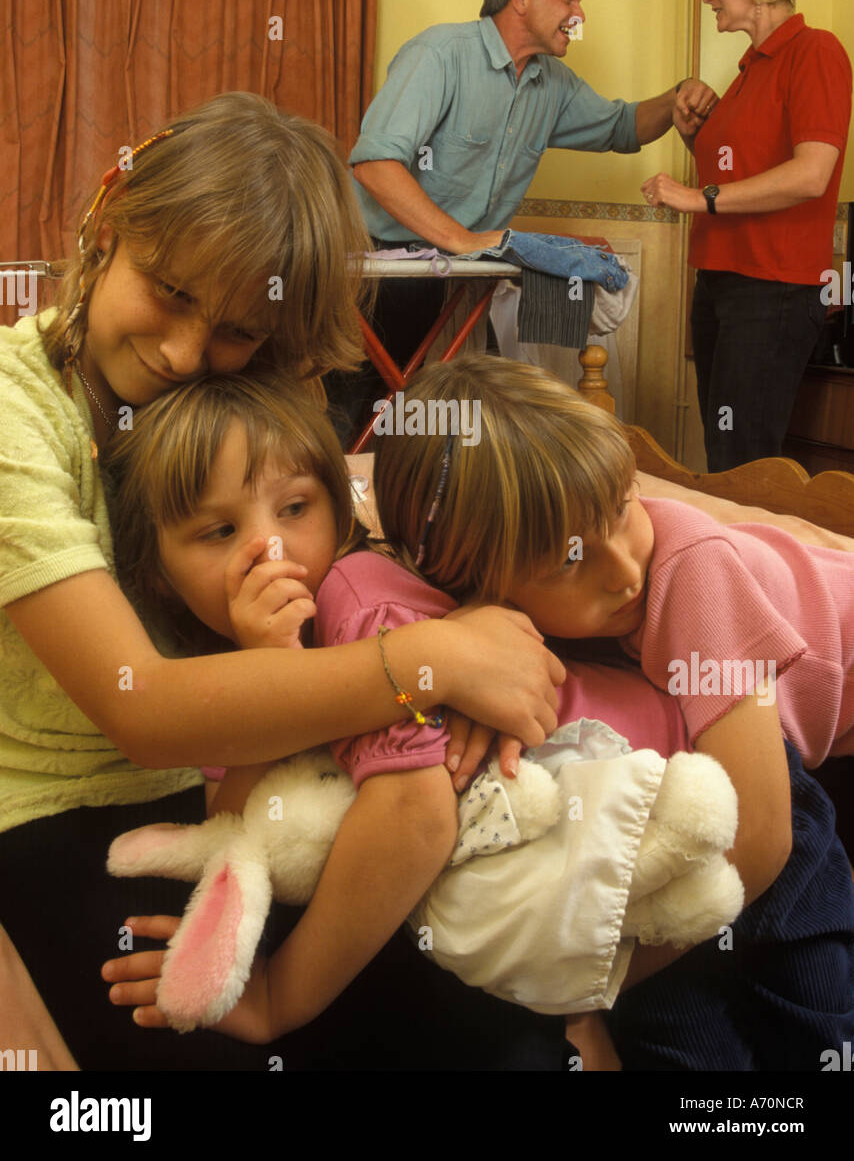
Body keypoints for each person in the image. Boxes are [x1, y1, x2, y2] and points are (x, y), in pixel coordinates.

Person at [0, 95, 564, 1071]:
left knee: (500, 1035)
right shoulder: (18, 415)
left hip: (242, 789)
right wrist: (427, 661)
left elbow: (342, 555)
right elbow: (143, 708)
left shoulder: (228, 395)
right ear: (108, 215)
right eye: (167, 292)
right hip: (60, 816)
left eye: (230, 331)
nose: (182, 353)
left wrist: (466, 656)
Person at [99, 373, 742, 1065]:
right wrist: (271, 672)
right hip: (587, 857)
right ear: (156, 574)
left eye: (295, 508)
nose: (271, 552)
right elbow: (237, 822)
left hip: (664, 795)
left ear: (341, 511)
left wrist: (277, 997)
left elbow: (417, 812)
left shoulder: (357, 601)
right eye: (220, 530)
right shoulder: (220, 666)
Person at [366, 354, 854, 1069]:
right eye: (568, 560)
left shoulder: (693, 572)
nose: (625, 569)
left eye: (622, 508)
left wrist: (592, 987)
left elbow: (762, 839)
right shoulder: (486, 597)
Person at [329, 0, 718, 436]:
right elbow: (375, 164)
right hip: (381, 269)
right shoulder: (439, 54)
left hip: (461, 279)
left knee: (465, 417)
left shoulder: (553, 84)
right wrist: (462, 240)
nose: (580, 14)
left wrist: (680, 92)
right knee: (356, 415)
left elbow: (624, 127)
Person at [641, 0, 853, 471]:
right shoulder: (747, 68)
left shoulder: (815, 51)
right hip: (721, 279)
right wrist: (692, 132)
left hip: (772, 288)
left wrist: (699, 198)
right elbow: (741, 173)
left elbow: (811, 174)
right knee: (725, 449)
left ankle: (743, 560)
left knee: (745, 461)